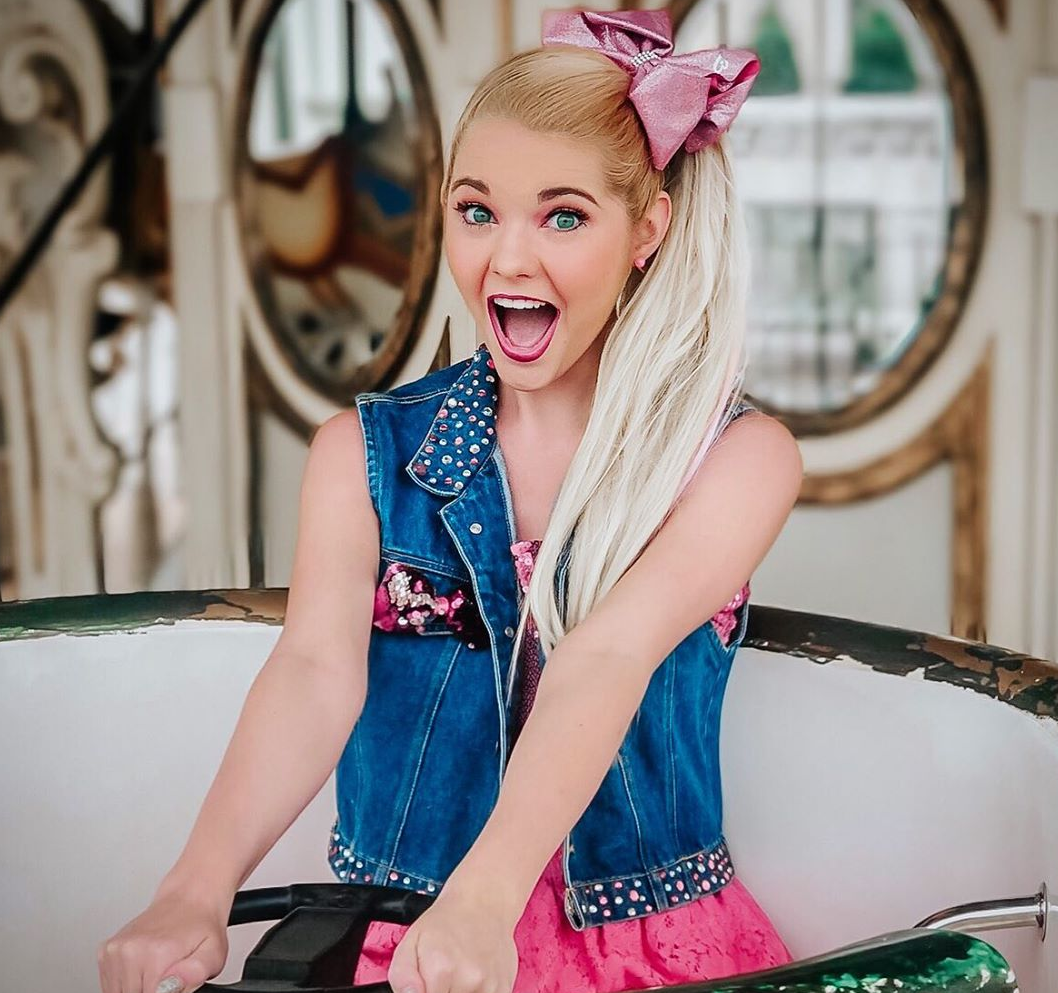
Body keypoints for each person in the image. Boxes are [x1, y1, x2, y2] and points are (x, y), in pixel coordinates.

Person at [97, 10, 803, 993]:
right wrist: (196, 887)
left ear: (647, 229)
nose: (506, 261)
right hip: (416, 935)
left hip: (646, 946)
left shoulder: (737, 461)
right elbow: (312, 671)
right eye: (478, 211)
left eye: (562, 215)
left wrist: (488, 895)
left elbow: (605, 654)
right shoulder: (362, 456)